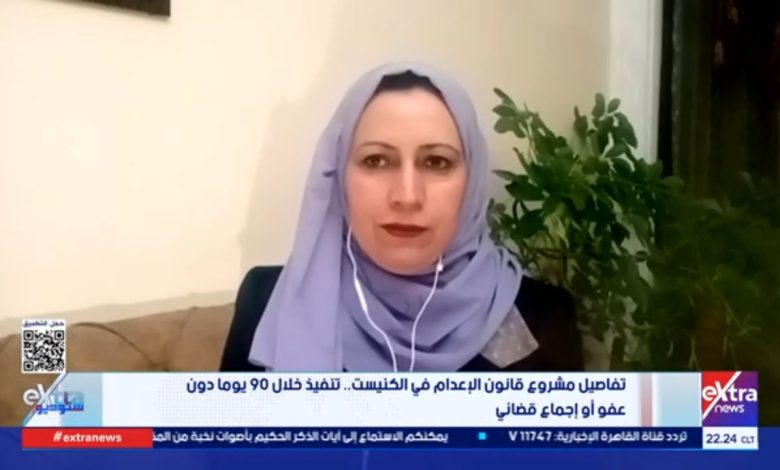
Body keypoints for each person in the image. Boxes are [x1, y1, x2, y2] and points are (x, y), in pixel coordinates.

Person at [220, 63, 583, 372]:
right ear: (340, 177)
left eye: (436, 162)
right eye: (376, 160)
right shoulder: (267, 302)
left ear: (471, 180)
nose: (407, 196)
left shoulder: (544, 317)